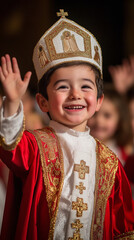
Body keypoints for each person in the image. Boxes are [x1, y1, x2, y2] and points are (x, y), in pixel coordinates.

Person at [0, 10, 134, 240]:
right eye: (62, 87)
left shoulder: (110, 163)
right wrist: (12, 102)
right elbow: (11, 148)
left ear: (99, 101)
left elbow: (124, 227)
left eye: (85, 86)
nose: (75, 94)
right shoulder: (35, 145)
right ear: (42, 101)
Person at [88, 83, 133, 166]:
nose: (99, 121)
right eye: (94, 114)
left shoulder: (124, 154)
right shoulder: (80, 147)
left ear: (119, 122)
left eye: (107, 115)